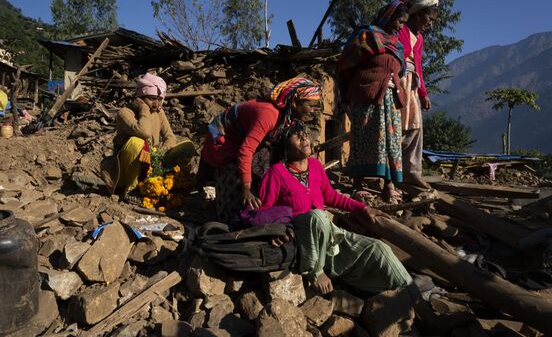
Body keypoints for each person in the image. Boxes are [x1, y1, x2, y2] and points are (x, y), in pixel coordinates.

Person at [258, 121, 413, 294]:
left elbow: (330, 196)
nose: (304, 137)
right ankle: (315, 272)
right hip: (302, 237)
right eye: (296, 135)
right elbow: (266, 211)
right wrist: (278, 231)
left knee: (378, 249)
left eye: (304, 133)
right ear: (285, 147)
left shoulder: (315, 166)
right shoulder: (275, 174)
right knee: (317, 216)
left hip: (327, 232)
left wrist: (363, 208)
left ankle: (409, 292)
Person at [200, 77, 321, 225]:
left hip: (242, 139)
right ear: (295, 102)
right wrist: (246, 188)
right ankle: (230, 218)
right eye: (312, 106)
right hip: (224, 139)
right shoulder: (268, 115)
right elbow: (245, 150)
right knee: (235, 174)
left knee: (266, 168)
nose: (313, 111)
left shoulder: (289, 119)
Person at [338, 0, 409, 203]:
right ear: (389, 17)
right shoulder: (366, 35)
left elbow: (401, 68)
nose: (400, 26)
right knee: (364, 138)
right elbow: (345, 65)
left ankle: (389, 185)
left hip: (391, 98)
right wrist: (348, 94)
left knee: (390, 142)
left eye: (404, 23)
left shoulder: (397, 45)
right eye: (399, 21)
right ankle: (358, 184)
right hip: (366, 95)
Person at [100, 73, 176, 200]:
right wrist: (143, 109)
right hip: (124, 171)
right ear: (140, 97)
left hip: (151, 164)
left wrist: (160, 153)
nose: (156, 104)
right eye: (152, 98)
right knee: (138, 142)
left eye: (159, 99)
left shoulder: (158, 112)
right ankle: (131, 190)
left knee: (181, 147)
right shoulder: (124, 113)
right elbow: (144, 132)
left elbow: (170, 137)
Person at [398, 0, 439, 197]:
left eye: (432, 20)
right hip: (397, 81)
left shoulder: (420, 38)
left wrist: (423, 94)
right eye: (429, 18)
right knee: (395, 126)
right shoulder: (401, 30)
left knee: (415, 127)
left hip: (412, 84)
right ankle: (393, 173)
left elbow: (419, 67)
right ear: (417, 13)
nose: (430, 23)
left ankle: (412, 172)